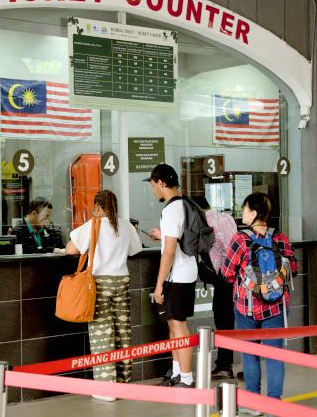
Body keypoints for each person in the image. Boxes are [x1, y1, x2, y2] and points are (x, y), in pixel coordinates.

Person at [221, 192, 297, 417]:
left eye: (244, 209)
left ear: (253, 214)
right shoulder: (280, 238)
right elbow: (292, 268)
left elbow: (226, 272)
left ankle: (253, 402)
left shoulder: (240, 239)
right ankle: (274, 406)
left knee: (249, 353)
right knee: (275, 356)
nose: (242, 213)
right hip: (276, 306)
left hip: (247, 307)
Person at [65, 190, 142, 401]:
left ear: (98, 207)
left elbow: (71, 249)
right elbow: (135, 250)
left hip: (100, 284)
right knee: (123, 332)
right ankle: (124, 383)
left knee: (102, 333)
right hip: (122, 283)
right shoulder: (126, 226)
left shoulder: (94, 225)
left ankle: (106, 389)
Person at [144, 163, 198, 388]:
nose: (152, 189)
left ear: (162, 183)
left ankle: (187, 378)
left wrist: (158, 285)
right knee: (173, 325)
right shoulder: (185, 203)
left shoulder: (170, 209)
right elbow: (175, 240)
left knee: (179, 325)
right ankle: (177, 372)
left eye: (153, 184)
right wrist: (163, 235)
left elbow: (169, 252)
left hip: (179, 276)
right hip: (187, 270)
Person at [192, 196, 238, 380]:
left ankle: (225, 366)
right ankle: (227, 364)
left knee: (223, 320)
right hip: (236, 275)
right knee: (231, 321)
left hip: (224, 277)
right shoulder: (227, 217)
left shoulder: (205, 223)